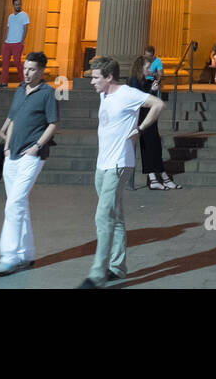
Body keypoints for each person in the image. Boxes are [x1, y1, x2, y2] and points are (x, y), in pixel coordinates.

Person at [79, 56, 165, 288]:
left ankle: (98, 273)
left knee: (102, 215)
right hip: (102, 164)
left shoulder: (127, 93)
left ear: (109, 77)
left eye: (96, 77)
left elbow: (158, 104)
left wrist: (140, 128)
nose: (91, 81)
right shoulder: (103, 93)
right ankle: (118, 267)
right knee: (114, 216)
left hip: (119, 164)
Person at [0, 52, 58, 275]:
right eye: (25, 68)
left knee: (14, 203)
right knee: (18, 203)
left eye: (31, 69)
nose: (26, 73)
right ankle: (26, 254)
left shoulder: (48, 93)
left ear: (41, 71)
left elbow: (53, 123)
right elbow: (15, 118)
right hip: (13, 154)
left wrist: (37, 146)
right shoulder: (20, 89)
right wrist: (7, 147)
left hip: (32, 155)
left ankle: (9, 256)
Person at [129, 49, 178, 191]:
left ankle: (156, 178)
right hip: (143, 118)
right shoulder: (134, 81)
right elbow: (140, 100)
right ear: (140, 67)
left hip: (149, 117)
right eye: (147, 67)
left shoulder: (143, 80)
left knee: (154, 146)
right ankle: (160, 178)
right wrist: (151, 91)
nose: (149, 69)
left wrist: (152, 88)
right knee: (151, 146)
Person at [0, 0, 30, 89]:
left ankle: (24, 80)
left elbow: (25, 28)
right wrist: (5, 40)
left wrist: (22, 41)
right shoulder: (10, 16)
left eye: (19, 4)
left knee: (17, 62)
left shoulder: (24, 15)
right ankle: (3, 82)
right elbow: (8, 28)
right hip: (7, 43)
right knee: (5, 63)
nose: (18, 6)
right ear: (13, 5)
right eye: (16, 4)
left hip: (17, 43)